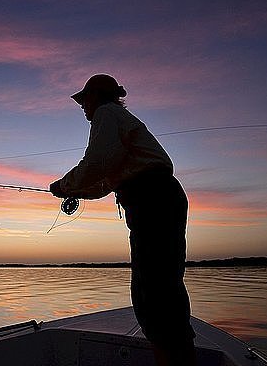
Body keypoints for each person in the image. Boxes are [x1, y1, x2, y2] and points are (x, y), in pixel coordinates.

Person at [49, 74, 197, 366]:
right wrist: (72, 188)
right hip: (154, 201)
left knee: (155, 292)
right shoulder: (115, 117)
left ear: (97, 98)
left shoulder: (106, 114)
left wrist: (64, 185)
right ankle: (175, 355)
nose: (82, 107)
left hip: (153, 201)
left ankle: (176, 358)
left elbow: (97, 163)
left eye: (85, 100)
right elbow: (105, 180)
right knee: (157, 288)